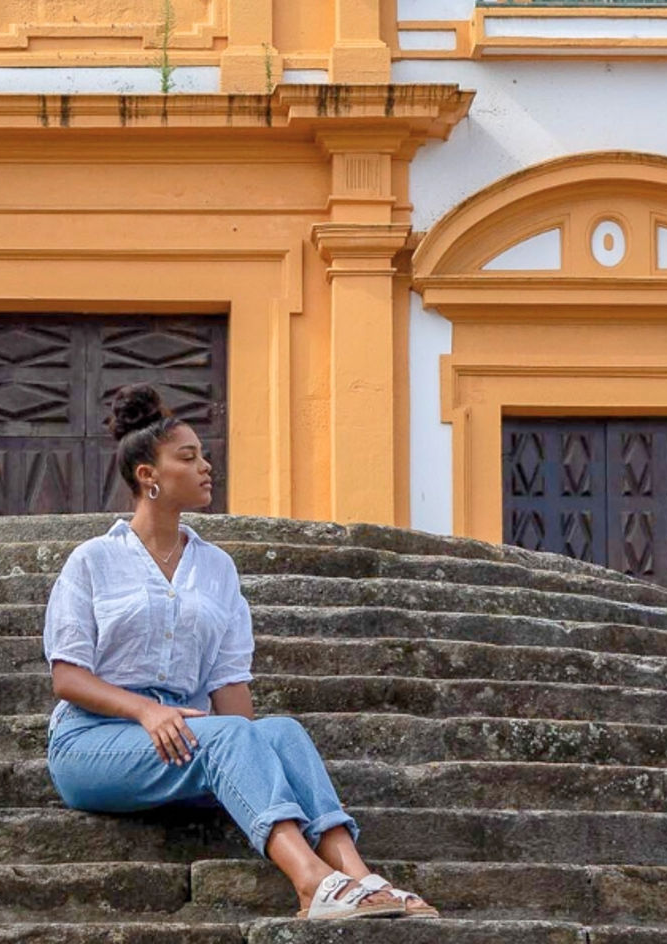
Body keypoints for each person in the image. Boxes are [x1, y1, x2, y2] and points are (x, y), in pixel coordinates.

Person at [41, 383, 442, 921]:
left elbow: (230, 691)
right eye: (189, 457)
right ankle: (310, 883)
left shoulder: (216, 568)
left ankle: (357, 875)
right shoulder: (92, 561)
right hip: (93, 742)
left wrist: (249, 754)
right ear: (148, 476)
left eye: (203, 455)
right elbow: (67, 677)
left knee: (280, 731)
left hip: (184, 739)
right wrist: (147, 710)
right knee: (228, 735)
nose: (207, 466)